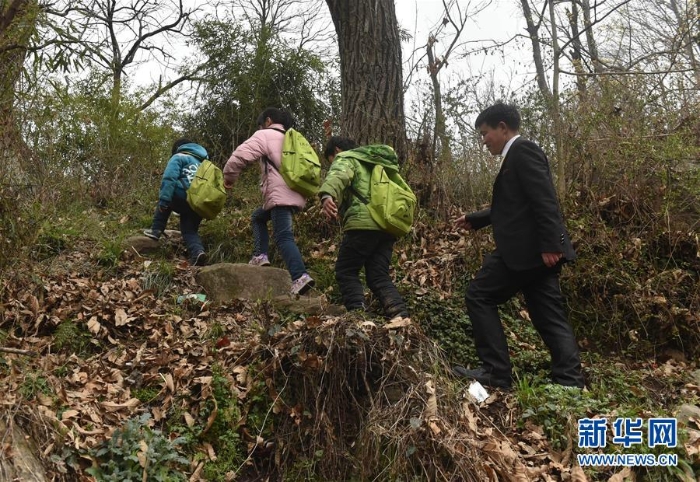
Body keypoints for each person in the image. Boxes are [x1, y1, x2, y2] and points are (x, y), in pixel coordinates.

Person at [452, 102, 585, 389]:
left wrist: (551, 244)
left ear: (502, 127)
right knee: (547, 314)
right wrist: (475, 219)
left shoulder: (523, 151)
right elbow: (514, 206)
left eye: (485, 133)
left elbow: (545, 199)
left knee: (479, 295)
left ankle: (496, 372)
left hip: (527, 251)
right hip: (533, 253)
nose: (483, 140)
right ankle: (570, 380)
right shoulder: (516, 157)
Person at [223, 107, 314, 296]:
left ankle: (300, 276)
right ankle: (260, 255)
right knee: (258, 217)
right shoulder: (295, 139)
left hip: (280, 196)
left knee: (283, 237)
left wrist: (229, 177)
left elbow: (240, 155)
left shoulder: (265, 135)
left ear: (268, 120)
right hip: (297, 193)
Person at [319, 137, 409, 319]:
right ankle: (401, 318)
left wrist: (327, 194)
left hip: (363, 223)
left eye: (331, 159)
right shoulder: (379, 163)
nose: (333, 162)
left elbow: (339, 174)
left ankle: (358, 318)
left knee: (346, 271)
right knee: (378, 276)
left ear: (337, 150)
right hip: (387, 225)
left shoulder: (346, 158)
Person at [143, 138, 208, 266]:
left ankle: (156, 230)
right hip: (199, 201)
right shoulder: (204, 165)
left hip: (181, 195)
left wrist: (164, 200)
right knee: (189, 231)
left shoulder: (179, 156)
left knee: (166, 200)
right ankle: (198, 252)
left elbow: (169, 178)